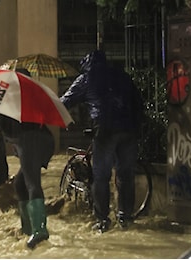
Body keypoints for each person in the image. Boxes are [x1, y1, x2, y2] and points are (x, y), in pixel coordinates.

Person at [59, 50, 144, 233]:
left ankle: (103, 220)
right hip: (129, 129)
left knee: (101, 176)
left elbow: (64, 102)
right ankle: (125, 217)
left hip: (105, 130)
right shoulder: (121, 75)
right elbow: (138, 101)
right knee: (126, 175)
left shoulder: (86, 78)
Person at [0, 68, 54, 249]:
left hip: (31, 140)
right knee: (20, 184)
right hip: (41, 140)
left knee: (31, 183)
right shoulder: (30, 94)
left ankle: (39, 230)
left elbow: (2, 123)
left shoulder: (9, 94)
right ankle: (27, 229)